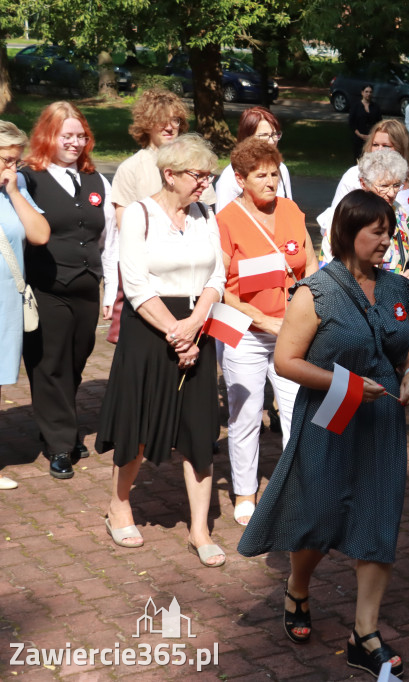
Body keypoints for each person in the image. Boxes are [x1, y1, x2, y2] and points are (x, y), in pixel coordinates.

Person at [239, 190, 409, 676]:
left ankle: (365, 634)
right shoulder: (315, 292)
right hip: (332, 416)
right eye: (376, 231)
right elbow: (286, 361)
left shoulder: (397, 289)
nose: (386, 240)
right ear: (347, 232)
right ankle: (298, 588)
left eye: (390, 231)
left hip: (382, 421)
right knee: (319, 513)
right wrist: (346, 384)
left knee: (379, 518)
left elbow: (406, 349)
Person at [96, 134, 226, 565]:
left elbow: (217, 278)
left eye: (210, 175)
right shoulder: (138, 214)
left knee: (199, 429)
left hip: (197, 326)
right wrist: (177, 333)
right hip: (150, 333)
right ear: (169, 175)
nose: (205, 184)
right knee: (136, 425)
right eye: (198, 175)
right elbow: (135, 285)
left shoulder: (207, 213)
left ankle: (201, 530)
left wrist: (195, 326)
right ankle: (118, 506)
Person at [218, 137, 316, 526]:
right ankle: (246, 493)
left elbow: (309, 264)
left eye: (275, 174)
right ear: (240, 179)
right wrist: (263, 320)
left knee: (297, 412)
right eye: (261, 176)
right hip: (246, 333)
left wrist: (305, 311)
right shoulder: (225, 219)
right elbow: (221, 287)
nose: (271, 182)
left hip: (292, 333)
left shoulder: (292, 210)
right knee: (245, 414)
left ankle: (297, 489)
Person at [20, 102, 114, 480]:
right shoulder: (29, 178)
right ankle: (59, 442)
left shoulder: (96, 181)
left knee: (75, 361)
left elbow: (110, 237)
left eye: (81, 136)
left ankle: (61, 424)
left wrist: (112, 290)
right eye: (67, 136)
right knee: (49, 366)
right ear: (49, 136)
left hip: (87, 286)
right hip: (46, 287)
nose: (75, 143)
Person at [108, 89, 214, 343]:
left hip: (191, 281)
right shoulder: (131, 169)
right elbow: (126, 233)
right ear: (146, 124)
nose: (170, 126)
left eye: (176, 120)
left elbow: (208, 221)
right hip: (150, 281)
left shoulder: (197, 168)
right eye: (161, 120)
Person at [321, 147, 409, 324]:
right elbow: (326, 269)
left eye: (396, 185)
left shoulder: (400, 213)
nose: (391, 192)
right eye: (384, 186)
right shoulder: (346, 216)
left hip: (395, 308)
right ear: (363, 183)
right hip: (353, 311)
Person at [0, 121, 50, 491]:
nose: (10, 168)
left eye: (15, 162)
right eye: (5, 160)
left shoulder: (13, 189)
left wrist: (15, 191)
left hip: (6, 301)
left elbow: (39, 234)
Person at [214, 107, 293, 213]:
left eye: (274, 135)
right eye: (264, 135)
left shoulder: (281, 169)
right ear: (247, 138)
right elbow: (223, 222)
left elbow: (289, 211)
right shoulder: (230, 177)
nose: (271, 141)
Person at [348, 84, 382, 163]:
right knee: (358, 159)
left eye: (370, 92)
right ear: (362, 93)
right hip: (358, 138)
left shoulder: (376, 107)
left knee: (371, 160)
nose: (368, 94)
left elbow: (379, 123)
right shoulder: (355, 106)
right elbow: (351, 122)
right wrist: (359, 134)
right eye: (366, 92)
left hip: (372, 138)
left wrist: (372, 135)